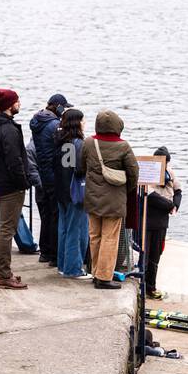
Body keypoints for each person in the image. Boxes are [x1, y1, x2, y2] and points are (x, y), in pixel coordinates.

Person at [79, 110, 138, 290]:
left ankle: (96, 272)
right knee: (110, 238)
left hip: (92, 198)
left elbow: (81, 166)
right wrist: (124, 190)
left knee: (95, 236)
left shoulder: (89, 142)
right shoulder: (123, 146)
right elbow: (134, 173)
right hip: (114, 200)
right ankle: (104, 277)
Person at [0, 88, 31, 289]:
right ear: (10, 105)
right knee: (6, 230)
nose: (19, 104)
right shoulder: (9, 129)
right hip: (10, 186)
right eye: (17, 101)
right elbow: (14, 160)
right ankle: (3, 274)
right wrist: (23, 182)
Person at [30, 93, 68, 266]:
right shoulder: (53, 125)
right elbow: (62, 146)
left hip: (43, 172)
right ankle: (54, 254)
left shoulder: (38, 121)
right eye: (64, 107)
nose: (65, 110)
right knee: (55, 214)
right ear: (58, 106)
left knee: (46, 214)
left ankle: (44, 251)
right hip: (53, 174)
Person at [141, 145, 182, 300]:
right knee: (145, 256)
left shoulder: (170, 173)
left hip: (161, 222)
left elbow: (178, 191)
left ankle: (151, 287)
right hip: (149, 219)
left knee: (156, 256)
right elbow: (150, 195)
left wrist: (176, 205)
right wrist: (169, 205)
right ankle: (142, 286)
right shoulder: (148, 173)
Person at [53, 108, 90, 279]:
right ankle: (73, 268)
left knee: (64, 229)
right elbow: (81, 169)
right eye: (82, 120)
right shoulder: (79, 143)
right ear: (77, 123)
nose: (84, 123)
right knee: (77, 230)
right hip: (76, 191)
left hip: (61, 190)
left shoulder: (60, 141)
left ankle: (63, 265)